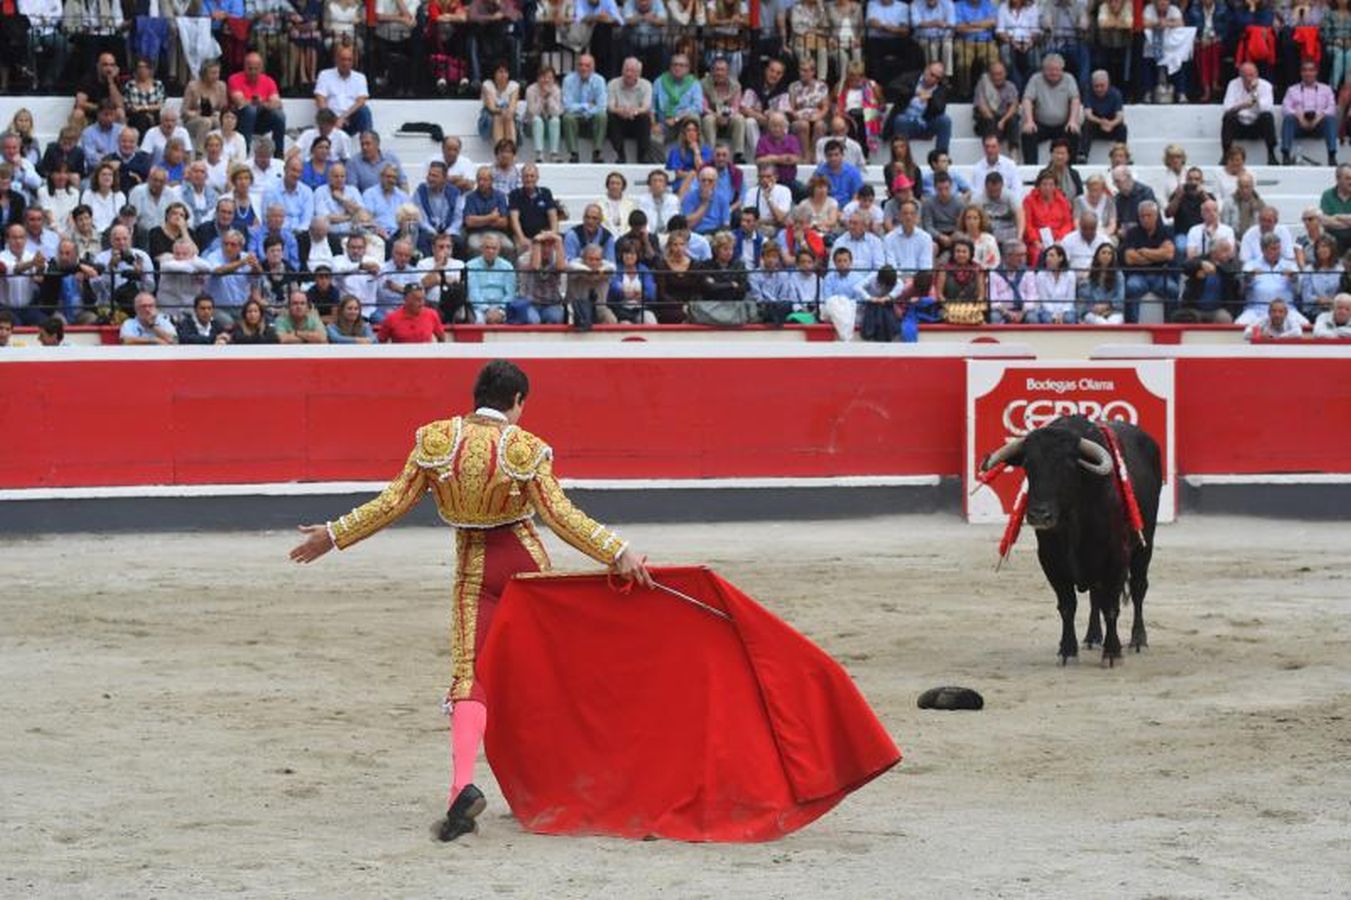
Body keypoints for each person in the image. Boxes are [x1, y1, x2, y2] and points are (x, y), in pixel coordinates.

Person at [290, 359, 652, 840]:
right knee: (545, 675)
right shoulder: (526, 447)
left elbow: (392, 503)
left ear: (475, 395)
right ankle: (578, 783)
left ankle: (461, 787)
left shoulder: (437, 440)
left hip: (474, 573)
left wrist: (333, 535)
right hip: (527, 567)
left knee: (471, 677)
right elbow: (560, 516)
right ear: (518, 401)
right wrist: (616, 549)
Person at [1020, 52, 1080, 165]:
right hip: (1041, 125)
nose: (1054, 73)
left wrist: (1072, 121)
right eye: (1050, 69)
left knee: (1073, 133)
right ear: (1044, 69)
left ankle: (1071, 169)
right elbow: (1027, 99)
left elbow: (1075, 100)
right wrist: (1029, 121)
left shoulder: (1069, 79)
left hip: (1062, 125)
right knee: (1027, 134)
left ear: (1062, 69)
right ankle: (1031, 169)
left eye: (1057, 69)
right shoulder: (1035, 79)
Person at [1121, 201, 1177, 322]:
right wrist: (1157, 254)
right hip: (1139, 275)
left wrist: (1144, 251)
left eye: (1149, 215)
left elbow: (1168, 254)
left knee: (1172, 289)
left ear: (1156, 215)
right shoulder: (1132, 232)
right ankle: (1131, 328)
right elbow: (1129, 258)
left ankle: (1171, 327)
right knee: (1131, 287)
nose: (1145, 219)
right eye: (1142, 216)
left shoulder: (1166, 231)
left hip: (1161, 275)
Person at [1280, 60, 1338, 166]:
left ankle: (1332, 156)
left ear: (1316, 72)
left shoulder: (1326, 89)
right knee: (1289, 119)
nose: (1308, 73)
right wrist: (1300, 118)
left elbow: (1332, 108)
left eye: (1311, 70)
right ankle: (1286, 155)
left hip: (1318, 124)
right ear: (1301, 73)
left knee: (1330, 119)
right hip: (1299, 125)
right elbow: (1285, 108)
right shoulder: (1292, 89)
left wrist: (1318, 119)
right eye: (1305, 70)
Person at [1221, 62, 1279, 166]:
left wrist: (1254, 92)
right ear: (1240, 76)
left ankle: (1271, 155)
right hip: (1239, 126)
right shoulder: (1233, 84)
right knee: (1228, 117)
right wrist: (1242, 106)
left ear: (1257, 74)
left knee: (1267, 117)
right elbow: (1227, 108)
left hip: (1257, 126)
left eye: (1251, 75)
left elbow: (1267, 108)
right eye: (1245, 76)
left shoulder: (1265, 86)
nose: (1248, 79)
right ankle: (1226, 155)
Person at [228, 51, 287, 152]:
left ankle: (279, 153)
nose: (253, 72)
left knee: (279, 115)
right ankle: (245, 150)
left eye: (256, 69)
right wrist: (257, 103)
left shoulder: (268, 81)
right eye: (250, 68)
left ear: (261, 68)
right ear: (244, 67)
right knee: (250, 110)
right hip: (241, 119)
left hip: (261, 120)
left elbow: (277, 104)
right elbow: (239, 103)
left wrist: (261, 103)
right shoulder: (234, 79)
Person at [890, 61, 952, 154]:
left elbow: (939, 109)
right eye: (932, 74)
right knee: (900, 119)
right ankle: (902, 160)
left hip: (925, 124)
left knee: (945, 120)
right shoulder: (911, 77)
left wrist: (930, 99)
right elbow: (892, 87)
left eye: (937, 78)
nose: (933, 79)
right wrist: (915, 93)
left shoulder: (941, 89)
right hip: (907, 123)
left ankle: (940, 158)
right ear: (926, 70)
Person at [314, 45, 372, 136]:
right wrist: (334, 119)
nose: (346, 63)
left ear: (354, 62)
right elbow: (320, 100)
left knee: (364, 110)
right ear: (336, 60)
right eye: (343, 59)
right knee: (324, 114)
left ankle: (368, 142)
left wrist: (343, 117)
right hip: (330, 120)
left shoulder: (360, 77)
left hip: (350, 119)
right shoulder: (325, 75)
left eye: (349, 60)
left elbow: (361, 101)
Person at [607, 57, 654, 165]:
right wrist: (621, 111)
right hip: (620, 119)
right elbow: (610, 106)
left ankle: (642, 156)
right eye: (626, 70)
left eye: (632, 71)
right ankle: (620, 155)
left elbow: (646, 107)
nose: (628, 74)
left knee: (645, 118)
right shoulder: (613, 84)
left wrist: (633, 111)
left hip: (636, 119)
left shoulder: (646, 85)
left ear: (639, 73)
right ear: (622, 71)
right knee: (611, 117)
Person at [971, 61, 1020, 155]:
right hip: (988, 120)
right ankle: (991, 153)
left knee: (1013, 120)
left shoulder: (1010, 86)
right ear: (989, 75)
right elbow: (982, 106)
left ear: (1005, 74)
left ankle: (1014, 153)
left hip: (1004, 120)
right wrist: (995, 122)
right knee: (988, 122)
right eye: (994, 74)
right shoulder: (982, 85)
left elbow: (1013, 106)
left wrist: (1003, 121)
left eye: (1000, 74)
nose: (997, 77)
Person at [1078, 70, 1125, 164]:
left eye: (1102, 86)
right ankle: (1082, 155)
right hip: (1096, 124)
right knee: (1086, 125)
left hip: (1111, 125)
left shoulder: (1116, 94)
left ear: (1108, 84)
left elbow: (1120, 116)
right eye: (1096, 86)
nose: (1099, 89)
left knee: (1122, 128)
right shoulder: (1088, 92)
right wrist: (1101, 122)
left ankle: (1123, 155)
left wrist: (1111, 124)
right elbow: (1088, 114)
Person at [1078, 242, 1124, 323]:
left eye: (1109, 253)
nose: (1106, 255)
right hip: (1092, 312)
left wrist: (1106, 306)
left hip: (1113, 311)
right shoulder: (1090, 273)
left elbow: (1120, 298)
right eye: (1103, 253)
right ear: (1097, 255)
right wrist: (1085, 279)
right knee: (1101, 323)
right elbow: (1084, 296)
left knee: (1111, 324)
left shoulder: (1118, 274)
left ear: (1112, 257)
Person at [526, 65, 564, 164]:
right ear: (538, 78)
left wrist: (549, 97)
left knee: (555, 120)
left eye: (549, 78)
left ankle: (554, 154)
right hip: (531, 126)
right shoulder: (530, 90)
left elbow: (557, 112)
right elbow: (533, 112)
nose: (546, 80)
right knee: (537, 120)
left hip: (549, 125)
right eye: (543, 77)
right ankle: (539, 154)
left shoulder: (556, 90)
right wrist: (542, 98)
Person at [1029, 243, 1076, 323]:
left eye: (1052, 255)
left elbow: (1070, 299)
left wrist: (1061, 314)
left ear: (1061, 258)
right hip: (1047, 310)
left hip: (1066, 310)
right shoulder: (1041, 275)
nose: (1048, 259)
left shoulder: (1070, 275)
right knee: (1048, 319)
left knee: (1069, 319)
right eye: (1047, 256)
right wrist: (1055, 315)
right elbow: (1044, 300)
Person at [480, 61, 522, 147]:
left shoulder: (514, 85)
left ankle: (510, 151)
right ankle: (500, 151)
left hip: (509, 118)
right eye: (500, 71)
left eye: (505, 72)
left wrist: (507, 113)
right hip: (489, 119)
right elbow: (491, 108)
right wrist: (502, 111)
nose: (503, 75)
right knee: (498, 117)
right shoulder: (487, 84)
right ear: (494, 73)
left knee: (508, 117)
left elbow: (512, 107)